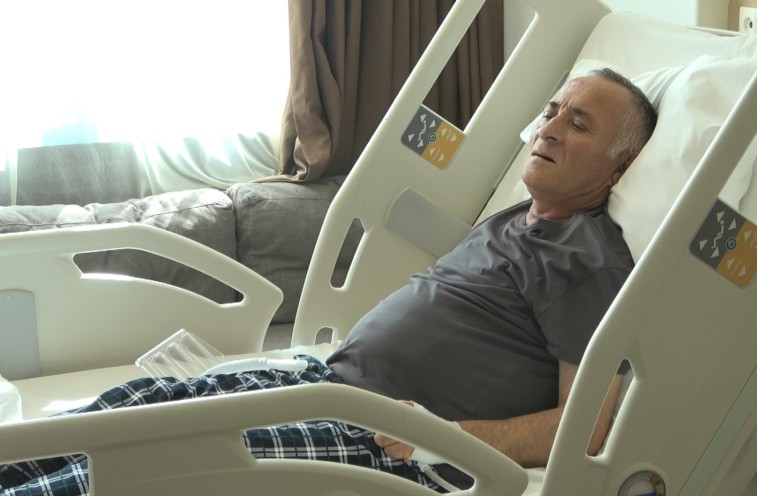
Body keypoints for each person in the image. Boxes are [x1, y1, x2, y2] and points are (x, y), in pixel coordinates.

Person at [0, 69, 657, 495]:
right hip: (321, 385)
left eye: (578, 124)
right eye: (551, 111)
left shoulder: (586, 256)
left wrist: (452, 438)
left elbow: (589, 427)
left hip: (378, 441)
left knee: (143, 470)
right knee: (137, 407)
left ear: (620, 164)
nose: (548, 128)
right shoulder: (519, 218)